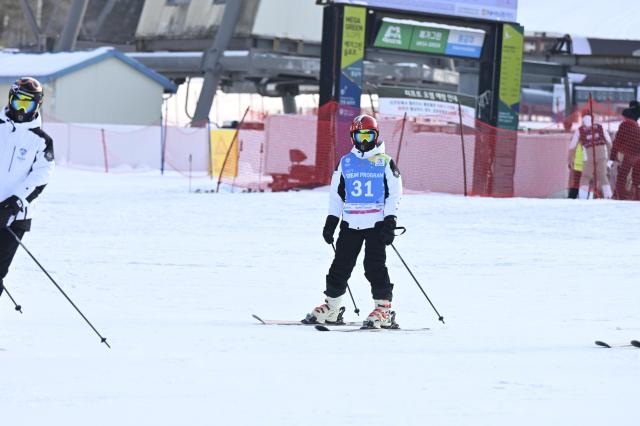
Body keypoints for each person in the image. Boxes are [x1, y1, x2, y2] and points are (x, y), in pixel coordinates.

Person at [303, 114, 402, 328]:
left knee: (374, 266)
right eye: (360, 136)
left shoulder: (385, 162)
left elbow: (394, 193)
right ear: (353, 137)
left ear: (376, 136)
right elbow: (336, 195)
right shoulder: (345, 162)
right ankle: (332, 307)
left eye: (369, 135)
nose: (364, 141)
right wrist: (331, 222)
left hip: (376, 224)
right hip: (350, 224)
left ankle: (384, 309)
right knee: (340, 266)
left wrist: (390, 221)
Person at [0, 77, 54, 300]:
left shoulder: (40, 140)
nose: (21, 109)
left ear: (37, 106)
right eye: (18, 102)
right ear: (11, 99)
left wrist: (15, 203)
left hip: (15, 217)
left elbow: (41, 177)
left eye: (28, 104)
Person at [567, 109, 613, 199]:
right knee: (603, 175)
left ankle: (583, 197)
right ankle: (608, 196)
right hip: (602, 153)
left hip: (588, 155)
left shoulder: (580, 130)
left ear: (582, 119)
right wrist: (609, 158)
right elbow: (609, 142)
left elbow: (572, 146)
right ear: (593, 118)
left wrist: (571, 159)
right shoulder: (600, 127)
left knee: (585, 177)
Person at [610, 103, 640, 200]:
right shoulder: (637, 127)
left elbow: (617, 141)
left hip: (626, 156)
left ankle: (621, 197)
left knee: (621, 177)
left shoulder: (624, 125)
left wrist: (612, 156)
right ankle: (633, 197)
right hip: (637, 157)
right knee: (635, 180)